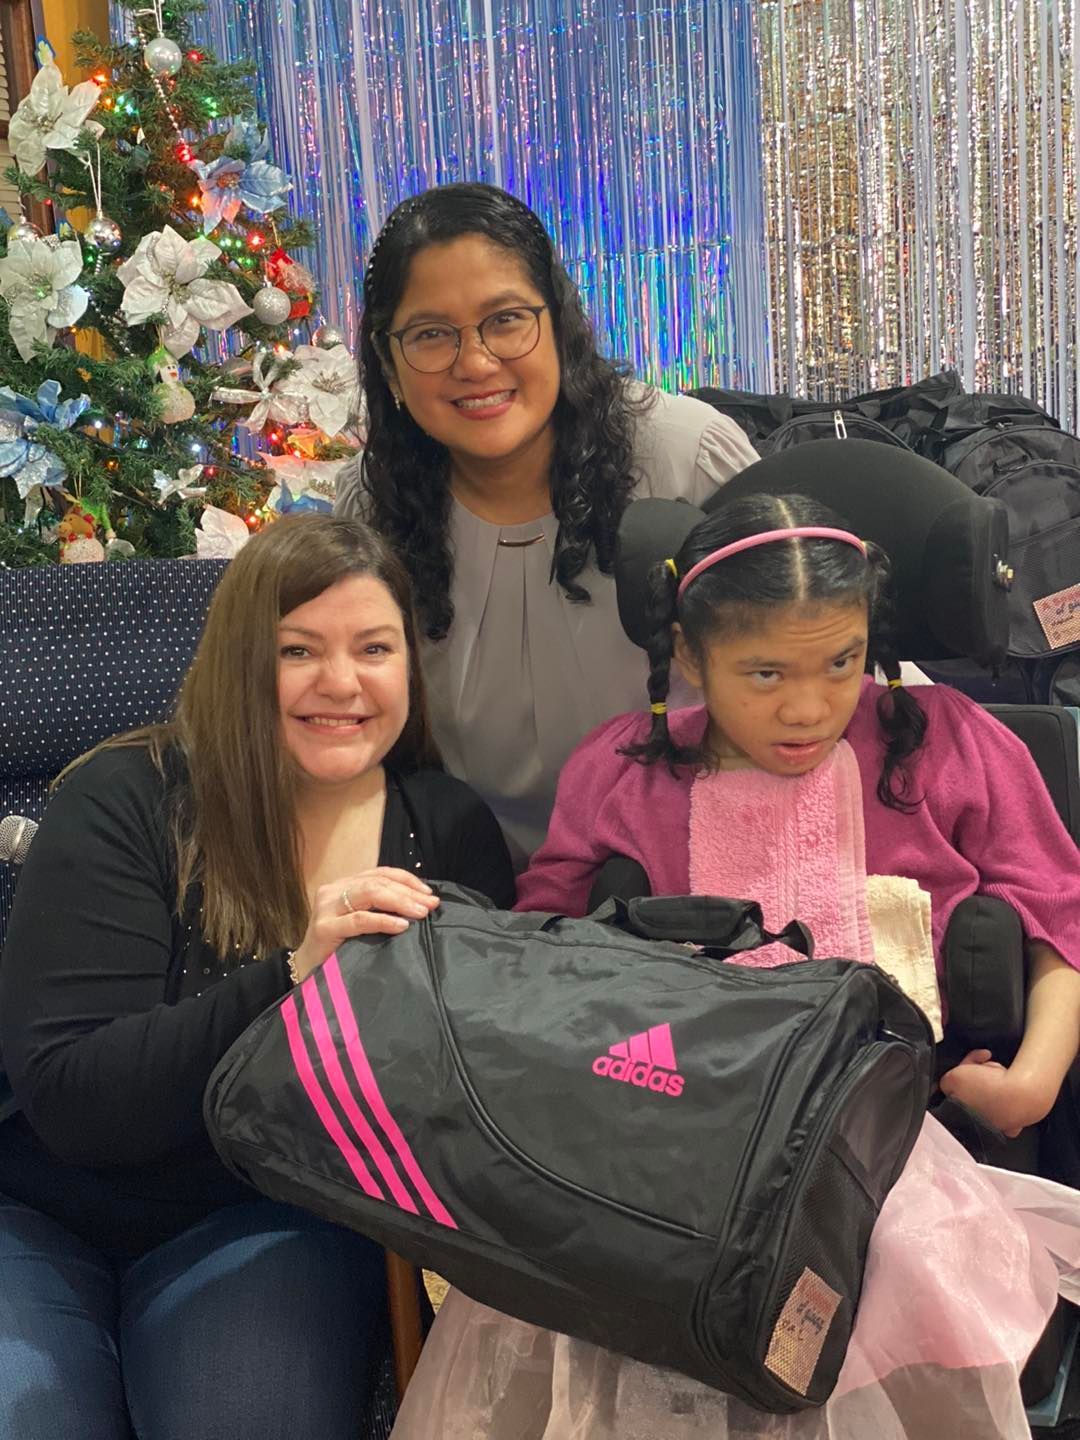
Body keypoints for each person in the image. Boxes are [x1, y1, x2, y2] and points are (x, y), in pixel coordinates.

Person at [390, 492, 1080, 1440]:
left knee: (853, 1315)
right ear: (689, 655)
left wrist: (1036, 1080)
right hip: (666, 1136)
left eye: (841, 663)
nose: (808, 708)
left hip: (887, 1141)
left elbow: (1060, 911)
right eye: (763, 673)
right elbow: (539, 947)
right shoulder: (625, 769)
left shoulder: (947, 740)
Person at [0, 513, 514, 1440]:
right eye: (298, 650)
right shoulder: (124, 798)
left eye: (374, 648)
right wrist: (291, 974)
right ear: (242, 661)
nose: (342, 683)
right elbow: (73, 1100)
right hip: (42, 1214)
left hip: (270, 1217)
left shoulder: (447, 831)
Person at [335, 181, 759, 863]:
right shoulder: (367, 507)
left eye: (505, 320)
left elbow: (818, 662)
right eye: (431, 335)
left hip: (691, 871)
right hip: (466, 891)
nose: (474, 363)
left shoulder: (686, 457)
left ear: (558, 324)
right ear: (388, 366)